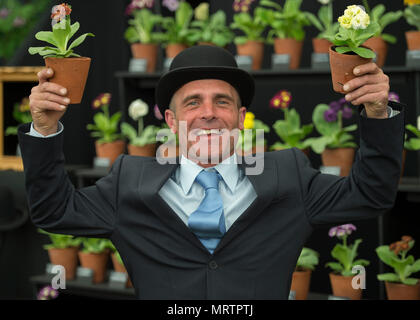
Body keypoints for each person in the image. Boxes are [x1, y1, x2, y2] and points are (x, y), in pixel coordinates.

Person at [19, 45, 404, 299]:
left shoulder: (289, 174)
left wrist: (377, 111)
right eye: (192, 103)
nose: (208, 113)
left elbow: (371, 194)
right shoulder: (128, 180)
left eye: (222, 101)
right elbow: (54, 211)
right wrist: (46, 129)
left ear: (239, 117)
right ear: (171, 120)